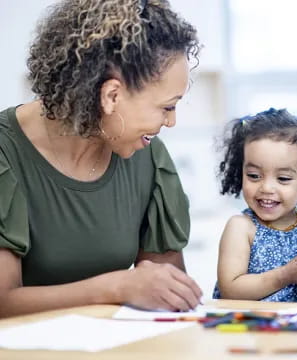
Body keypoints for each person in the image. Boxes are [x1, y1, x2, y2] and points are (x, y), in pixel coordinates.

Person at [0, 0, 204, 318]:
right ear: (111, 96)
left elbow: (167, 294)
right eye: (167, 107)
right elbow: (3, 301)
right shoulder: (5, 151)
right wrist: (118, 286)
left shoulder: (147, 156)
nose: (171, 121)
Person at [212, 108, 297, 302]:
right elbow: (231, 290)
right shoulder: (241, 227)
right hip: (252, 327)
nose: (266, 187)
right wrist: (286, 275)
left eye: (282, 178)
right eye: (254, 176)